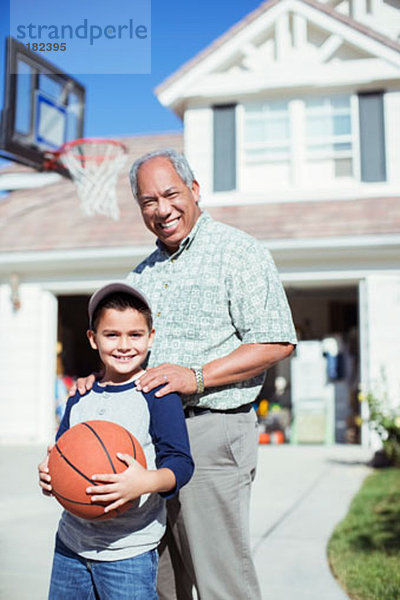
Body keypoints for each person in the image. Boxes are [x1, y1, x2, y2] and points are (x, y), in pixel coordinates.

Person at [74, 149, 297, 600]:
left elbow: (276, 341)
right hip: (151, 440)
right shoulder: (143, 275)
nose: (161, 209)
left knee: (221, 582)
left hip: (213, 432)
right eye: (148, 202)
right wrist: (95, 379)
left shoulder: (239, 252)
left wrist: (194, 376)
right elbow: (129, 345)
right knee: (159, 583)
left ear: (194, 191)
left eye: (170, 194)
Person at [38, 282, 194, 600]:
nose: (124, 345)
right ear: (93, 339)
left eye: (135, 335)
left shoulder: (158, 393)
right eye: (112, 335)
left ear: (151, 338)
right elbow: (63, 450)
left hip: (129, 551)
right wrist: (49, 470)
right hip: (70, 545)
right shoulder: (80, 395)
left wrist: (144, 481)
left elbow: (181, 462)